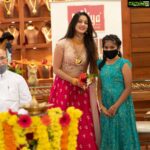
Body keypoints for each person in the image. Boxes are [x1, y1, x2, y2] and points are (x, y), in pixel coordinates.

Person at [48, 12, 100, 149]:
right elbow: (56, 69)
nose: (83, 25)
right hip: (63, 88)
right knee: (63, 122)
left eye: (86, 22)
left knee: (83, 123)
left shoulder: (91, 45)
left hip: (82, 89)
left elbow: (94, 70)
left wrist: (88, 80)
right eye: (80, 21)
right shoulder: (62, 44)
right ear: (73, 24)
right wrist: (72, 80)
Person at [97, 34, 140, 150]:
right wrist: (101, 106)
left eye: (112, 47)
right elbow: (99, 88)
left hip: (121, 107)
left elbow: (128, 88)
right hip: (106, 108)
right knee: (108, 136)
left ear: (118, 48)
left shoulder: (124, 64)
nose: (109, 50)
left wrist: (115, 106)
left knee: (123, 135)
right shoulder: (100, 64)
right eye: (106, 47)